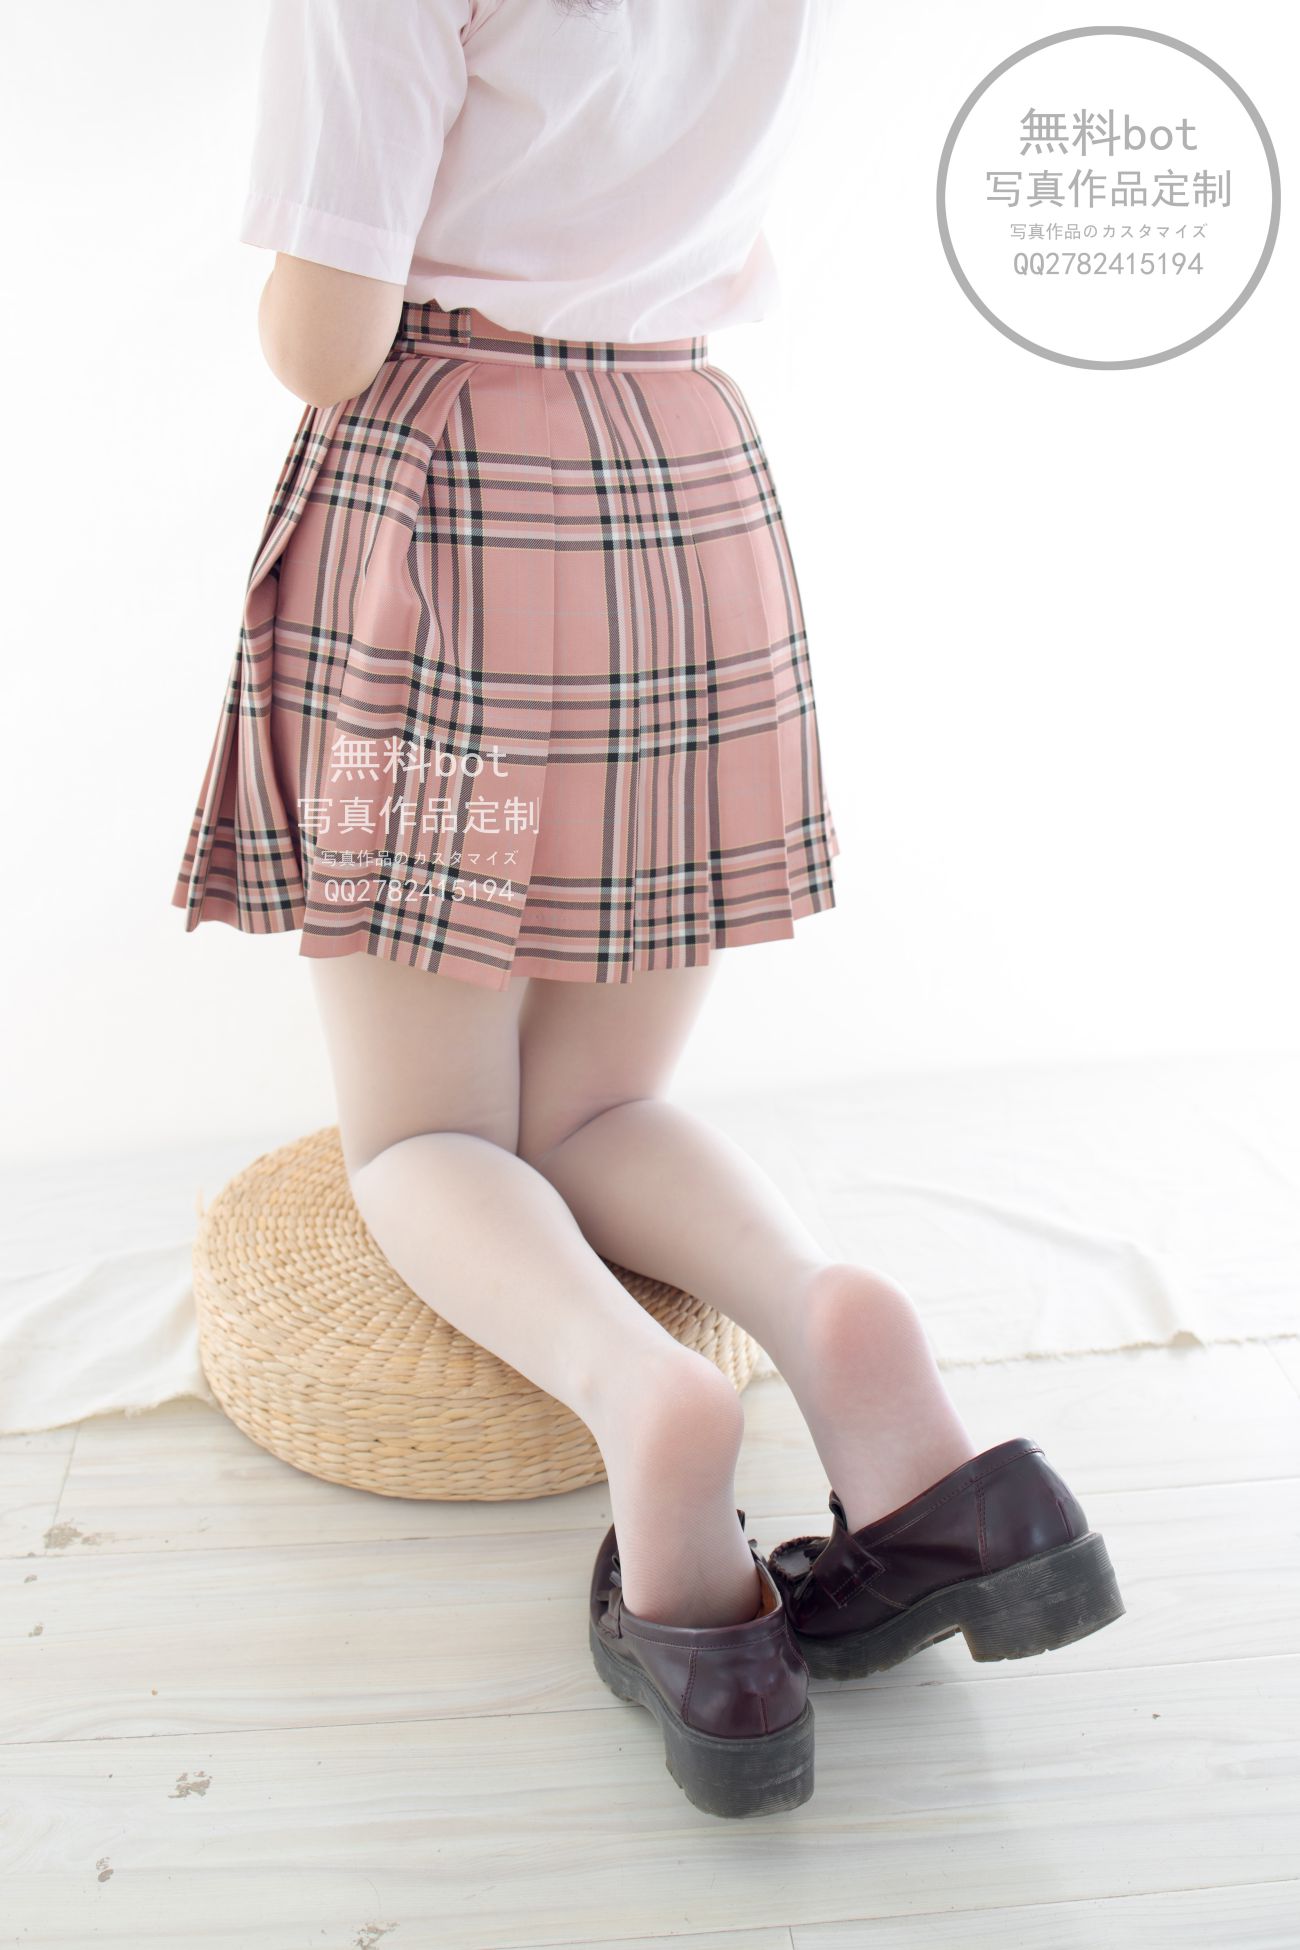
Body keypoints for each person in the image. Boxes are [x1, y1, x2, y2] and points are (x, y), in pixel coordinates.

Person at [170, 0, 1123, 1820]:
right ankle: (849, 1347)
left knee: (426, 1136)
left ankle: (648, 1398)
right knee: (600, 1100)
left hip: (455, 519)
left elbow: (324, 338)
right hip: (689, 493)